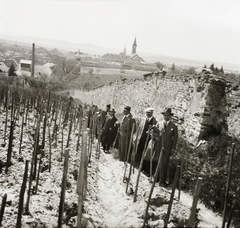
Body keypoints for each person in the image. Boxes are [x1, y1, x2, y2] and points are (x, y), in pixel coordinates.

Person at [155, 108, 178, 187]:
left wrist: (173, 149)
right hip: (159, 146)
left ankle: (163, 181)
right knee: (158, 162)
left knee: (164, 164)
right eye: (165, 115)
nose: (166, 117)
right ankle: (156, 178)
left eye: (168, 115)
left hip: (167, 148)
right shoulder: (159, 123)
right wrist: (156, 138)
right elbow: (154, 133)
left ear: (170, 116)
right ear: (163, 115)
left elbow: (175, 139)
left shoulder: (173, 126)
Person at [134, 108, 157, 172]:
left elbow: (155, 131)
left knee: (146, 153)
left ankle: (144, 167)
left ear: (152, 113)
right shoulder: (143, 119)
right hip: (141, 138)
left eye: (149, 113)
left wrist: (150, 132)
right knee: (141, 151)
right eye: (147, 113)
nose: (148, 114)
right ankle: (140, 165)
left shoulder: (154, 121)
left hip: (149, 140)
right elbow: (140, 128)